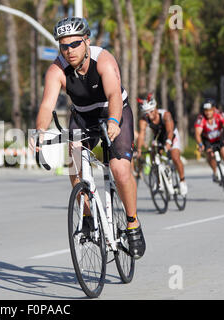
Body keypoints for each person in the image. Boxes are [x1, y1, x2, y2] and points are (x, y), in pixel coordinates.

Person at [31, 17, 145, 259]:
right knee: (75, 165)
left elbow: (114, 93)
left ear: (86, 41)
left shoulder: (103, 59)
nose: (69, 50)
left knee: (119, 169)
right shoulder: (56, 70)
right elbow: (46, 105)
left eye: (74, 44)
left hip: (114, 111)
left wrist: (114, 121)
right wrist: (38, 131)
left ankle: (133, 224)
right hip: (83, 116)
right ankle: (87, 214)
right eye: (64, 46)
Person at [136, 95, 188, 195]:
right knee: (153, 153)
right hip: (159, 136)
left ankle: (182, 181)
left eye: (151, 111)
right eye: (146, 113)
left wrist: (168, 143)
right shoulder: (144, 120)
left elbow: (169, 131)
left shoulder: (165, 114)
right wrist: (138, 149)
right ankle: (158, 179)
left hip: (171, 134)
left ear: (155, 108)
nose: (149, 115)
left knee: (175, 157)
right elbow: (141, 135)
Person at [194, 99, 224, 188]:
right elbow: (197, 133)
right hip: (208, 140)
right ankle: (215, 172)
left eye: (209, 110)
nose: (207, 113)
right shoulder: (201, 118)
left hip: (219, 138)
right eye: (205, 111)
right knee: (209, 154)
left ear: (214, 109)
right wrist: (200, 144)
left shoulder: (220, 114)